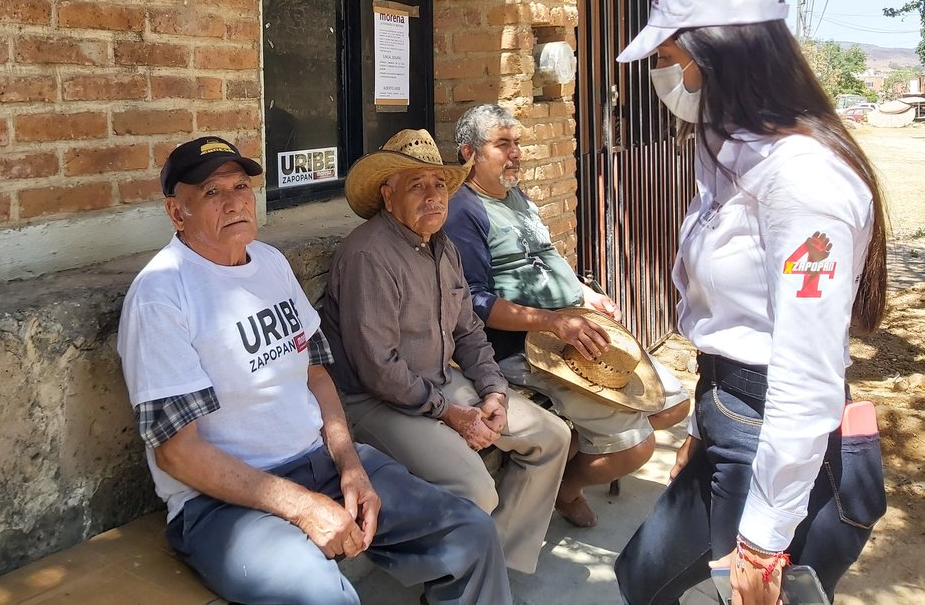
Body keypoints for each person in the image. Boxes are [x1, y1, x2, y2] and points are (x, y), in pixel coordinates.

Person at [117, 136, 512, 605]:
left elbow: (316, 374)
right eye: (212, 193)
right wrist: (303, 507)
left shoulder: (269, 262)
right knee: (325, 597)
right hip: (223, 503)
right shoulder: (161, 294)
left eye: (241, 187)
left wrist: (349, 463)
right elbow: (178, 455)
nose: (235, 202)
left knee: (470, 531)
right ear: (176, 212)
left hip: (320, 463)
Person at [612, 0, 889, 604]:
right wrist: (700, 429)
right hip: (727, 415)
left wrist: (764, 538)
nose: (671, 78)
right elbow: (723, 321)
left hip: (770, 439)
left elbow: (807, 373)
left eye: (678, 60)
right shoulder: (728, 153)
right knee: (642, 582)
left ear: (722, 57)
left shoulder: (803, 177)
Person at [320, 129, 573, 574]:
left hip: (437, 382)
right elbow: (379, 369)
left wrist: (493, 392)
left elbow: (470, 331)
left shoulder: (443, 247)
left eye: (439, 184)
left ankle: (497, 565)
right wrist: (451, 414)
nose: (433, 196)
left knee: (552, 436)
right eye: (417, 185)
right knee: (476, 487)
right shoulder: (369, 256)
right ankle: (463, 578)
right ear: (387, 195)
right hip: (373, 401)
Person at [446, 104, 691, 529]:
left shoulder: (515, 197)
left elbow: (545, 256)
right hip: (523, 348)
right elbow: (473, 303)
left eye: (517, 143)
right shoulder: (463, 212)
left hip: (568, 333)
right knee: (637, 449)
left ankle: (582, 447)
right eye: (503, 144)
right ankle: (567, 486)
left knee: (674, 403)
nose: (517, 153)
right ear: (469, 153)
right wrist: (553, 321)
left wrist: (584, 293)